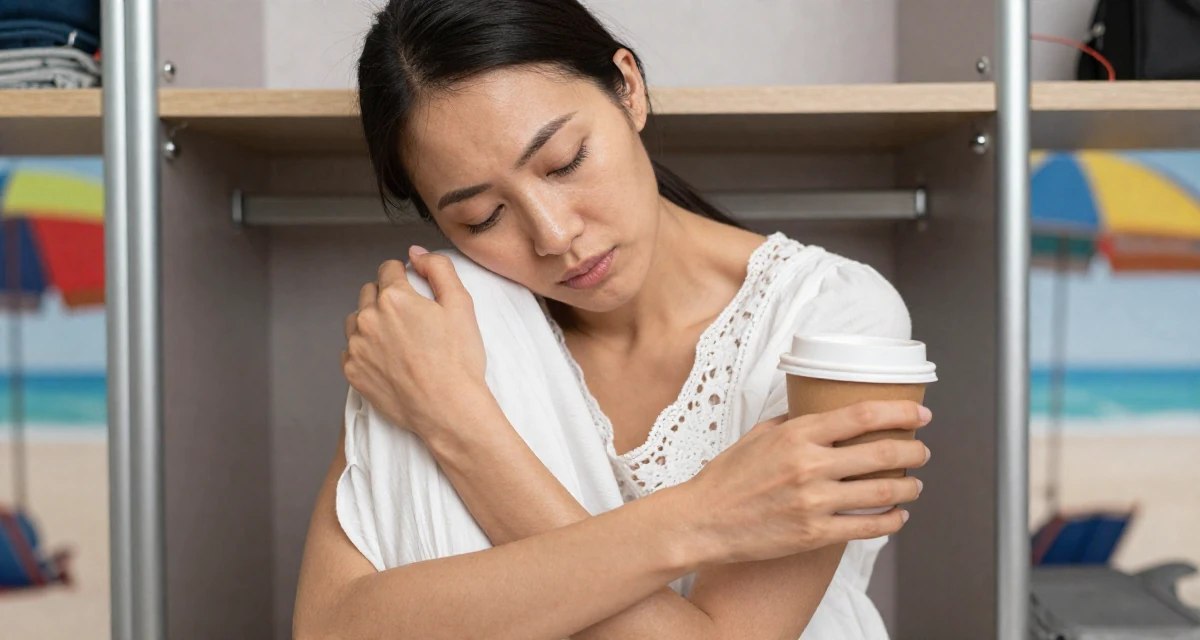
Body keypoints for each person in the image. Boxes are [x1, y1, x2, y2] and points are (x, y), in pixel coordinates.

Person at [293, 1, 932, 638]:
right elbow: (331, 629)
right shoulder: (441, 324)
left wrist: (457, 423)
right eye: (483, 217)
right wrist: (701, 518)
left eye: (566, 161)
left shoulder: (835, 315)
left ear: (628, 88)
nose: (553, 235)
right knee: (426, 298)